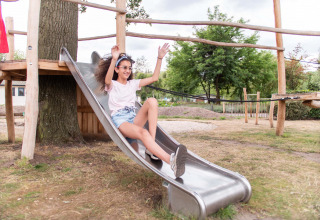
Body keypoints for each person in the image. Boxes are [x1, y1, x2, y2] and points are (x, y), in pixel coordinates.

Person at [95, 44, 187, 178]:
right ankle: (171, 161)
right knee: (143, 132)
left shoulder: (132, 84)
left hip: (133, 119)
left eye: (129, 68)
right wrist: (114, 58)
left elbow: (154, 78)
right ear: (117, 69)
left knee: (152, 101)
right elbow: (107, 80)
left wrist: (159, 58)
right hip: (121, 121)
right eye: (124, 68)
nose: (127, 70)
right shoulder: (112, 85)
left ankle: (151, 148)